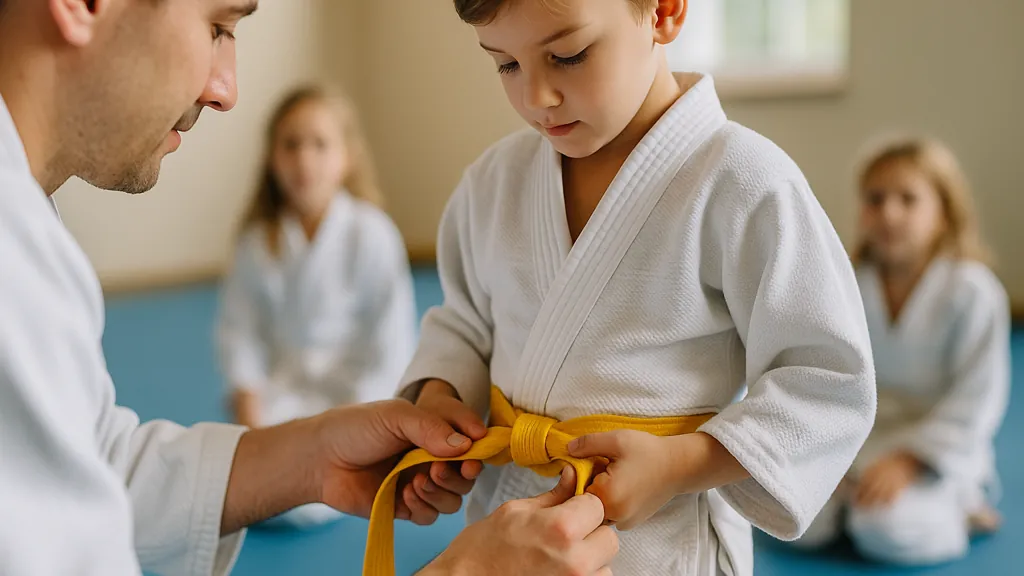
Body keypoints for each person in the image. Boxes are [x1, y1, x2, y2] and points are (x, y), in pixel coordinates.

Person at [0, 0, 617, 574]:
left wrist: (310, 452)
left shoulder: (26, 219)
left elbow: (93, 466)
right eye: (217, 26)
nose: (226, 90)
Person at [374, 0, 877, 574]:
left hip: (663, 539)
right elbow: (464, 321)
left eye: (568, 55)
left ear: (664, 11)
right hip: (510, 526)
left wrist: (681, 462)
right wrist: (441, 399)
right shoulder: (494, 181)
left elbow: (826, 376)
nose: (535, 96)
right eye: (506, 65)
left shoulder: (745, 181)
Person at [794, 137, 1010, 565]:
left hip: (935, 447)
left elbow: (977, 400)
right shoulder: (846, 283)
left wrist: (910, 462)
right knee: (789, 514)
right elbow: (818, 375)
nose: (889, 213)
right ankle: (846, 508)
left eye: (908, 200)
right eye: (875, 200)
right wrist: (829, 455)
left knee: (885, 529)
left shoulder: (972, 293)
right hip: (859, 438)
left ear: (943, 214)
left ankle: (961, 508)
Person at [217, 86, 418, 527]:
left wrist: (359, 422)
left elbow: (390, 342)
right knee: (221, 474)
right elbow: (240, 331)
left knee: (303, 495)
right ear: (272, 157)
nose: (304, 160)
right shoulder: (258, 241)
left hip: (355, 398)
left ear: (346, 157)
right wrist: (253, 423)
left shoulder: (371, 234)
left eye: (319, 144)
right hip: (283, 395)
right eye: (291, 144)